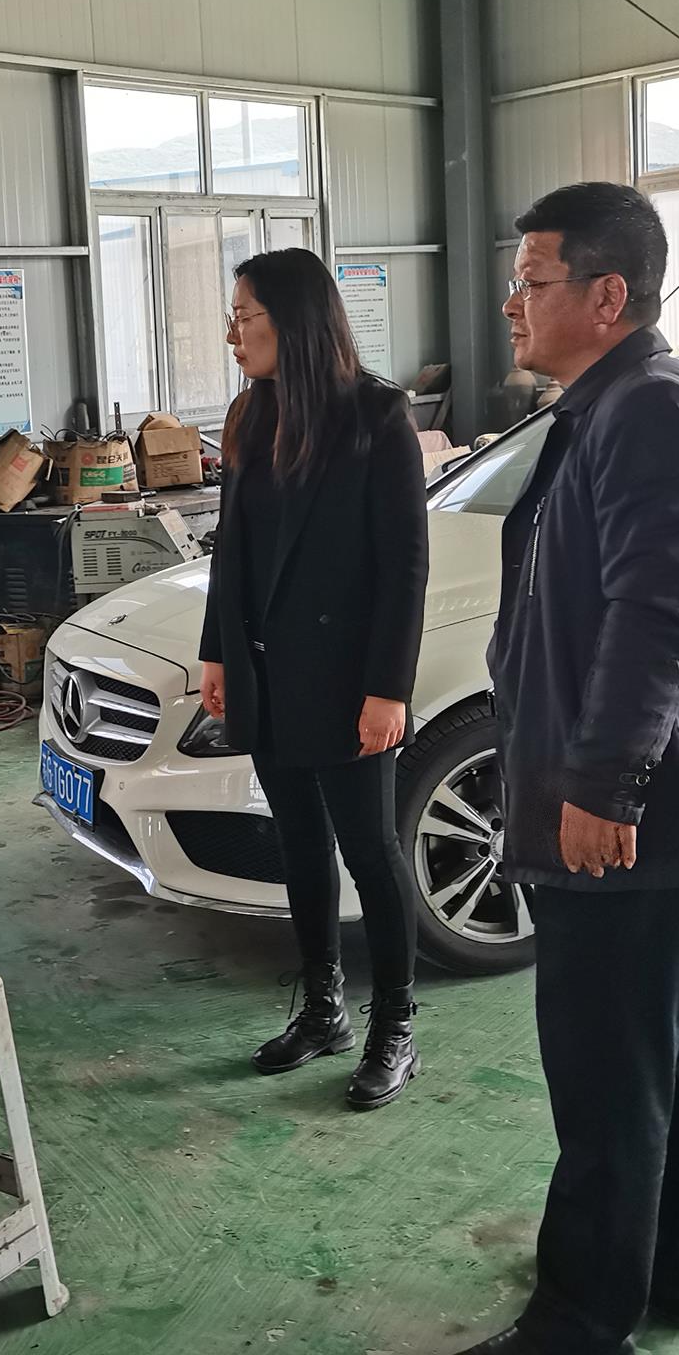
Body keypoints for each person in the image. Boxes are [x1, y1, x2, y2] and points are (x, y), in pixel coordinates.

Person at [455, 184, 679, 1355]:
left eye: (532, 281)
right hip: (654, 804)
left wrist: (601, 786)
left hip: (636, 814)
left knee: (604, 1076)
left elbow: (658, 614)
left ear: (605, 295)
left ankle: (580, 1325)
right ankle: (670, 1266)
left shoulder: (647, 410)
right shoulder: (608, 406)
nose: (511, 303)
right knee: (663, 1045)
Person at [197, 247, 429, 1111]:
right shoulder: (250, 414)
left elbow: (404, 567)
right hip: (268, 670)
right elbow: (233, 550)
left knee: (369, 850)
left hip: (347, 678)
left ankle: (395, 1025)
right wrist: (218, 651)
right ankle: (325, 1007)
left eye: (245, 317)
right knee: (298, 844)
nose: (233, 335)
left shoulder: (377, 417)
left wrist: (388, 688)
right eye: (232, 318)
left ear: (292, 321)